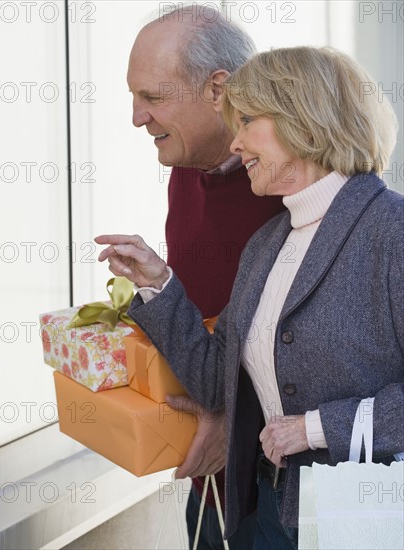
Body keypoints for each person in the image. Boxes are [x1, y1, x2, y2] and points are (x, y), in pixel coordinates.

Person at [96, 46, 403, 549]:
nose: (236, 144)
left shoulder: (392, 231)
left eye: (248, 122)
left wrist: (316, 428)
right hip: (271, 514)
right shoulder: (268, 243)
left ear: (303, 119)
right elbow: (219, 383)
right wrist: (157, 284)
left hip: (363, 519)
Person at [127, 5, 285, 549]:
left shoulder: (293, 184)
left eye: (152, 97)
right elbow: (206, 317)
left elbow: (326, 350)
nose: (136, 117)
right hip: (209, 470)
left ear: (218, 89)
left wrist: (233, 418)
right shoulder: (185, 172)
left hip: (279, 476)